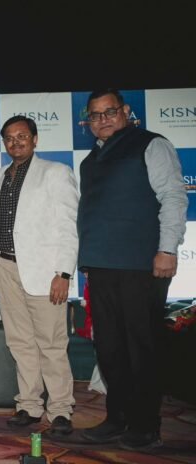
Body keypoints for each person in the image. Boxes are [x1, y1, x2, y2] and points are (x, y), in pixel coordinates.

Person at [77, 89, 188, 450]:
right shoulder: (89, 161)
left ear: (125, 111)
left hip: (142, 265)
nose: (103, 120)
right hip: (101, 266)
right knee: (109, 348)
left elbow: (173, 196)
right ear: (88, 121)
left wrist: (167, 249)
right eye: (95, 115)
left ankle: (145, 424)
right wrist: (88, 263)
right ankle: (117, 417)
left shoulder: (151, 144)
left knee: (142, 347)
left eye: (110, 112)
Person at [0, 115, 77, 436]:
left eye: (22, 136)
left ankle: (61, 409)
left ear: (35, 139)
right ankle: (29, 404)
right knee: (20, 341)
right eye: (9, 138)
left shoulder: (55, 173)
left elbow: (68, 225)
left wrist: (63, 272)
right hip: (6, 267)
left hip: (45, 272)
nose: (16, 142)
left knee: (51, 343)